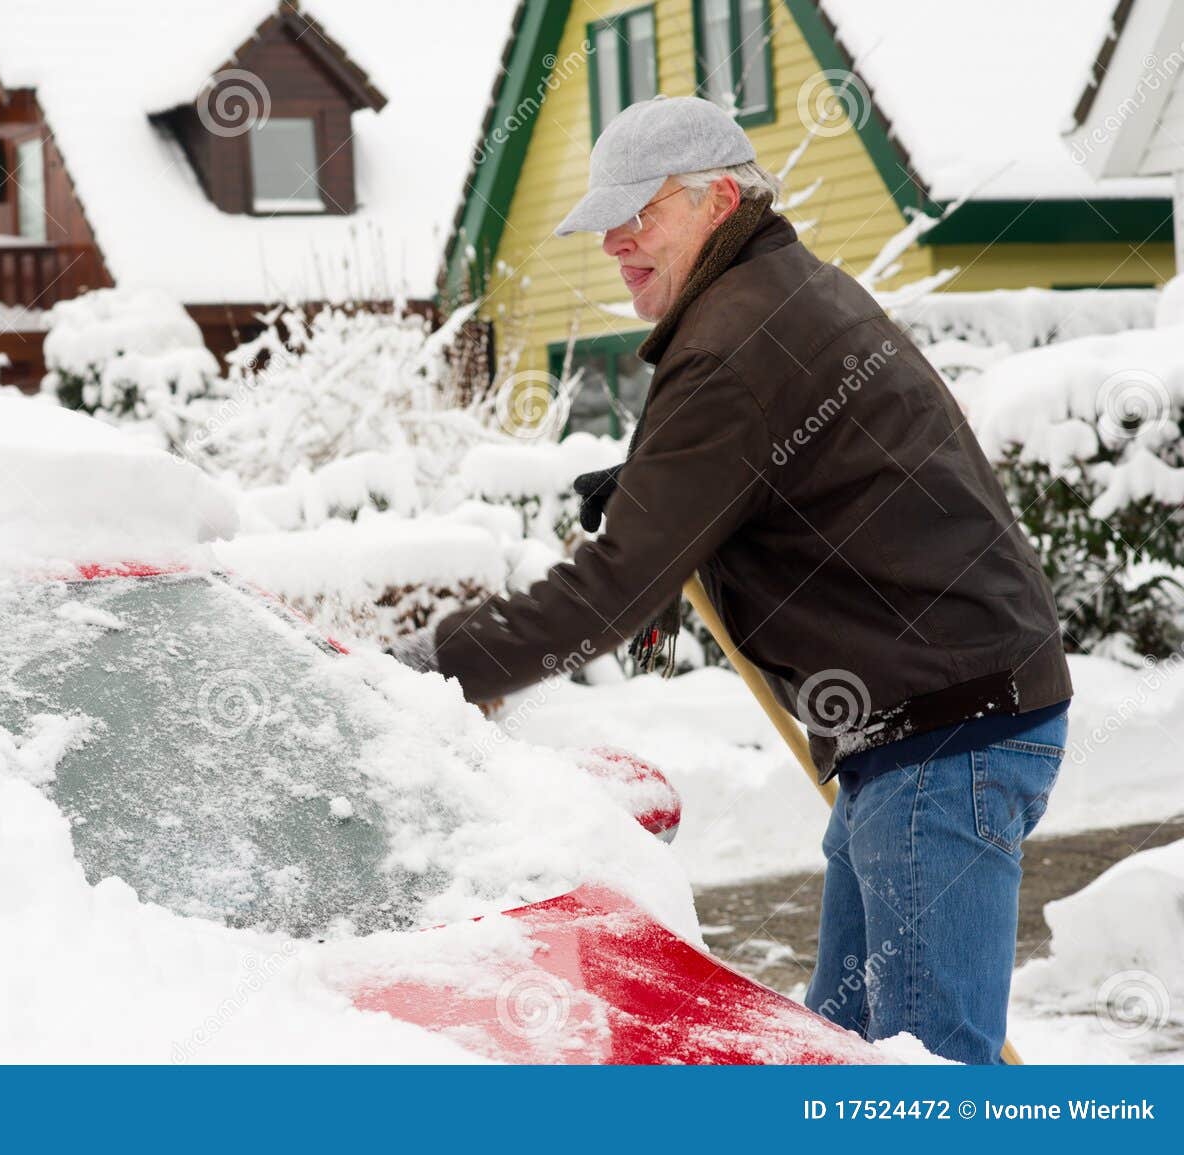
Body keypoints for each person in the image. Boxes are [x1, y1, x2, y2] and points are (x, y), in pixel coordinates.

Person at [391, 96, 1071, 1064]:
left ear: (717, 201)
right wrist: (668, 486)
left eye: (641, 215)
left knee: (929, 1074)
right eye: (607, 222)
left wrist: (429, 663)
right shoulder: (784, 291)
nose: (615, 242)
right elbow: (820, 462)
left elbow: (613, 592)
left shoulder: (732, 341)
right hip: (931, 723)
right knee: (846, 1044)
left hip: (942, 737)